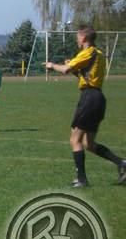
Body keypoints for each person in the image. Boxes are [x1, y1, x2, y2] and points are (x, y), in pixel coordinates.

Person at [44, 25, 126, 187]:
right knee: (89, 143)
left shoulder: (88, 52)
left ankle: (81, 179)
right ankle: (122, 163)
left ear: (83, 38)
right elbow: (87, 76)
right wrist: (76, 69)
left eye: (78, 37)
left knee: (75, 139)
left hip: (89, 97)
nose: (77, 40)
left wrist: (52, 66)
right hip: (98, 98)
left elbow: (65, 70)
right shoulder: (99, 54)